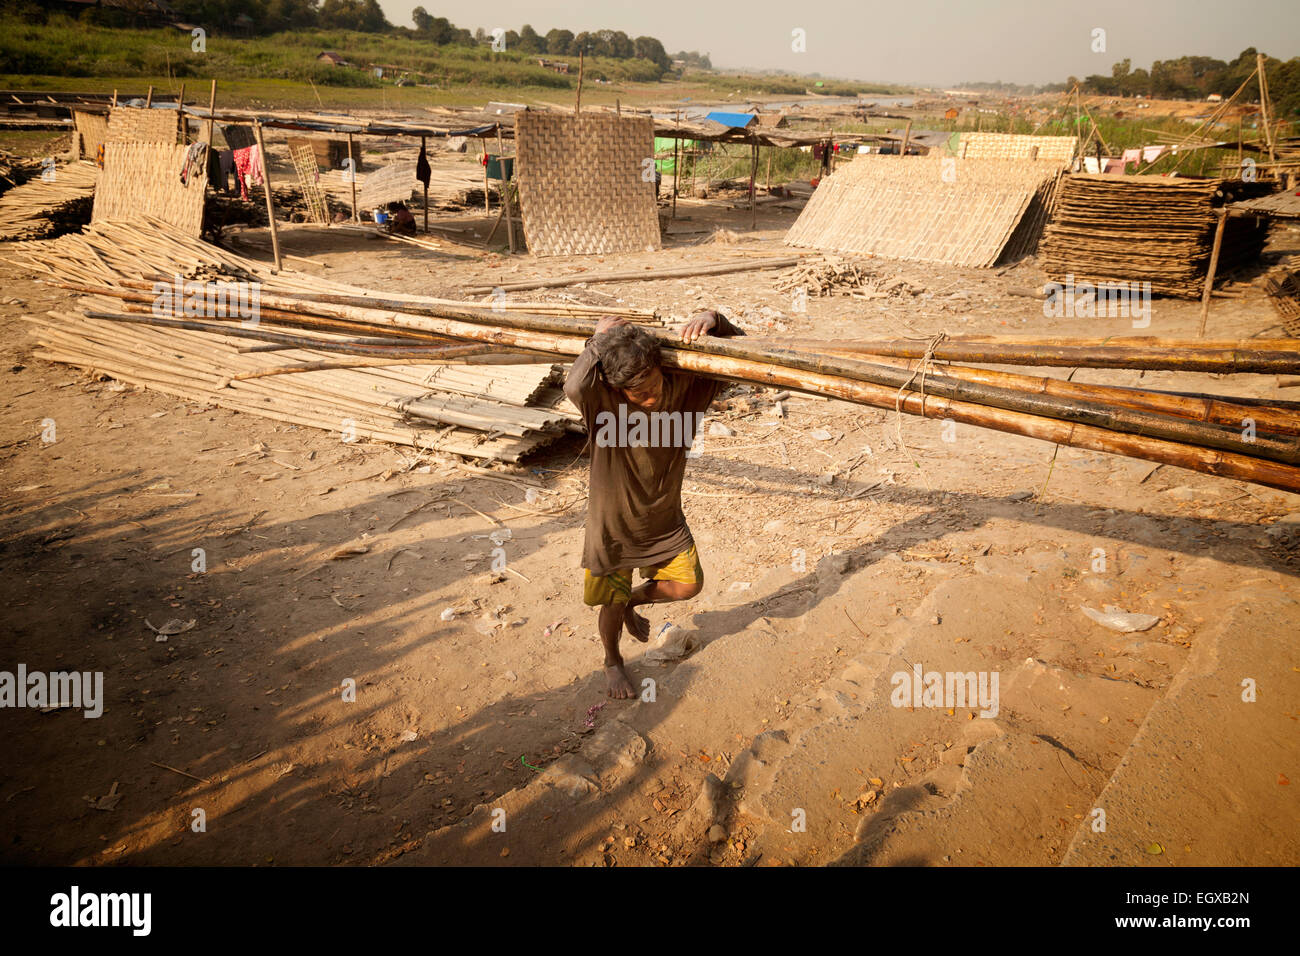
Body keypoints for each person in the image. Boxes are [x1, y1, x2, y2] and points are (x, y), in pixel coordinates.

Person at [563, 310, 744, 699]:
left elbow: (740, 355)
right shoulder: (602, 404)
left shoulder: (685, 392)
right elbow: (575, 385)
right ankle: (612, 661)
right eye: (638, 394)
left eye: (653, 385)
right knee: (608, 606)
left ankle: (632, 601)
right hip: (613, 526)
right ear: (616, 389)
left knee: (687, 585)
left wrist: (714, 319)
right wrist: (596, 342)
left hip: (665, 519)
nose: (651, 397)